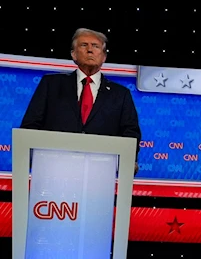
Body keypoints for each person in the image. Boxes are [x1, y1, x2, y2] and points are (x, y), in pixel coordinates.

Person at [20, 28, 142, 174]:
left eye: (96, 46)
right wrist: (26, 159)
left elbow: (131, 132)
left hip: (99, 175)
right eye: (84, 45)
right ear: (73, 54)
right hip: (52, 170)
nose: (90, 50)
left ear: (104, 57)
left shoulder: (121, 94)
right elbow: (30, 125)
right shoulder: (51, 84)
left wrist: (128, 160)